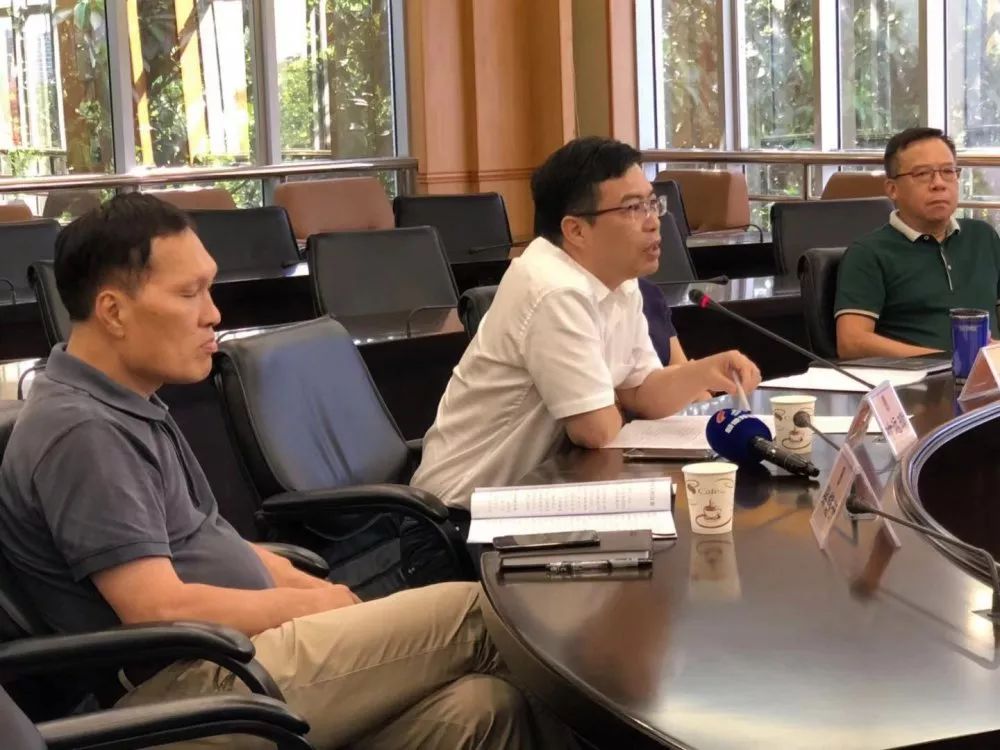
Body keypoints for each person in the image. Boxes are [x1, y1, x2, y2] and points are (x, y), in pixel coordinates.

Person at [0, 194, 571, 750]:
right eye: (189, 293)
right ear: (113, 311)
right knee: (482, 615)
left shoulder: (128, 404)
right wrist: (312, 609)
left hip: (236, 659)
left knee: (481, 711)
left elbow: (212, 543)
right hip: (188, 688)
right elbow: (157, 608)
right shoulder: (82, 431)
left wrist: (324, 593)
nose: (213, 313)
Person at [411, 137, 761, 510]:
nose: (652, 222)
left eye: (652, 204)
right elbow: (595, 431)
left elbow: (641, 393)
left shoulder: (619, 280)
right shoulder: (553, 289)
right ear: (576, 230)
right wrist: (613, 402)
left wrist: (703, 372)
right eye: (632, 208)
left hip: (530, 500)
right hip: (458, 514)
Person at [835, 126, 1000, 358]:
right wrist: (950, 359)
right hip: (918, 377)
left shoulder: (983, 236)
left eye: (948, 171)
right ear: (892, 189)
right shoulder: (869, 253)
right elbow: (852, 342)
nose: (938, 183)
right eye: (922, 174)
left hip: (988, 373)